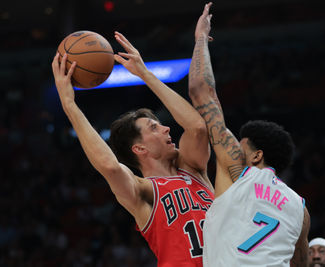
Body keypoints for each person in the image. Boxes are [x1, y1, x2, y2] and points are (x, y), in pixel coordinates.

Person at [51, 30, 214, 266]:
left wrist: (145, 74)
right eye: (154, 128)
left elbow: (197, 127)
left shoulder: (194, 170)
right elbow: (109, 166)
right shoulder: (142, 192)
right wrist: (69, 104)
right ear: (139, 149)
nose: (167, 129)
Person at [187, 3, 310, 267]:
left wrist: (200, 38)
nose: (232, 147)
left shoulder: (238, 169)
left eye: (240, 145)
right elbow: (301, 262)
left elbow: (200, 89)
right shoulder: (300, 208)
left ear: (256, 155)